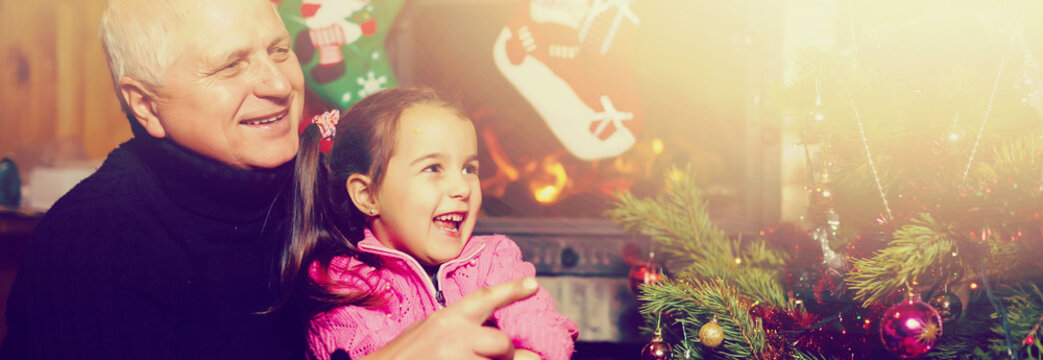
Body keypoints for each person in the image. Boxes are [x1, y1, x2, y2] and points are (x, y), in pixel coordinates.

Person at [0, 0, 542, 359]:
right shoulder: (93, 245)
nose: (279, 84)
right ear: (146, 104)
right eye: (231, 65)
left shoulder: (333, 190)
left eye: (280, 50)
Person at [282, 87, 579, 360]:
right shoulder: (341, 284)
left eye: (468, 168)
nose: (461, 187)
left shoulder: (495, 259)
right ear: (368, 195)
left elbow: (541, 323)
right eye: (433, 168)